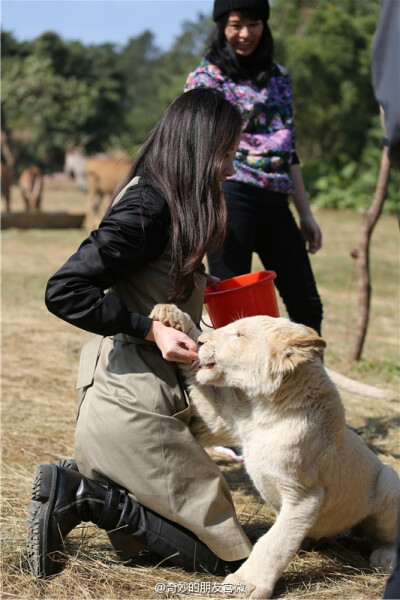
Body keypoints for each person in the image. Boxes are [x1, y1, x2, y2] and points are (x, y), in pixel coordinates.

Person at [26, 88, 253, 580]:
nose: (232, 170)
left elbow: (147, 275)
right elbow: (64, 289)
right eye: (227, 155)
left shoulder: (169, 200)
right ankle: (83, 497)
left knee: (151, 551)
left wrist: (198, 283)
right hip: (129, 404)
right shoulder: (147, 208)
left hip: (136, 401)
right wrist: (147, 328)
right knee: (226, 560)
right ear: (199, 147)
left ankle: (101, 485)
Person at [185, 0, 323, 336]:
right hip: (229, 193)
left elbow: (288, 151)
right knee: (235, 309)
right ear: (221, 27)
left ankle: (303, 384)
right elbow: (194, 148)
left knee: (307, 305)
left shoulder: (279, 79)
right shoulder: (206, 78)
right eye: (235, 24)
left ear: (266, 24)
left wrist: (305, 214)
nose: (245, 33)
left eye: (254, 23)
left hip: (275, 197)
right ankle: (236, 387)